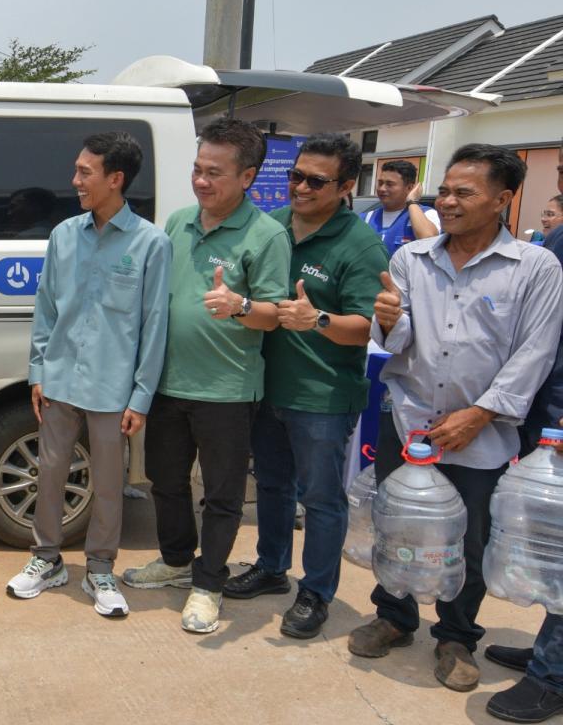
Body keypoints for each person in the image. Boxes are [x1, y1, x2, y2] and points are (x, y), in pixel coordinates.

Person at [348, 144, 563, 694]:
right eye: (444, 190)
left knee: (469, 538)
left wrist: (481, 413)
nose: (446, 201)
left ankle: (456, 636)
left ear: (502, 199)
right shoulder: (411, 259)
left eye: (463, 192)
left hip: (482, 431)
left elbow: (536, 352)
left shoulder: (535, 267)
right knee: (398, 521)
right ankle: (394, 616)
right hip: (410, 419)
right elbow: (399, 339)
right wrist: (387, 320)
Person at [121, 117, 291, 634]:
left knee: (221, 494)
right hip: (167, 382)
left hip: (227, 389)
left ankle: (208, 583)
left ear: (248, 177)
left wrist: (240, 305)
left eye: (215, 172)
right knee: (165, 481)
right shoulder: (178, 222)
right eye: (198, 169)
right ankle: (176, 560)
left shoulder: (267, 235)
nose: (201, 180)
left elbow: (274, 315)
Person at [222, 133, 388, 638]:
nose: (300, 187)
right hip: (266, 386)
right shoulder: (271, 225)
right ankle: (272, 567)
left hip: (322, 394)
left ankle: (316, 591)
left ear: (346, 186)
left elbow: (366, 327)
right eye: (296, 176)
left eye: (316, 181)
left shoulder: (359, 244)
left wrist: (318, 320)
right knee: (272, 486)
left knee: (320, 499)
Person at [5, 132, 171, 617]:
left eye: (85, 172)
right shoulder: (64, 235)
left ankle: (100, 568)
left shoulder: (150, 243)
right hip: (59, 378)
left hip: (112, 386)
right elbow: (46, 308)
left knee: (108, 483)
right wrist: (37, 370)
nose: (75, 180)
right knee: (49, 472)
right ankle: (47, 559)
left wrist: (141, 396)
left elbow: (154, 324)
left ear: (115, 179)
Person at [483, 142, 563, 724]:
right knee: (551, 546)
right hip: (547, 409)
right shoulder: (557, 240)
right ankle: (548, 652)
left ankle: (551, 676)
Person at [361, 159, 440, 255]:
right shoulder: (366, 218)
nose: (382, 189)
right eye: (380, 183)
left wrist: (412, 202)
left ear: (409, 188)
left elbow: (429, 241)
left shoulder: (427, 215)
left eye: (389, 184)